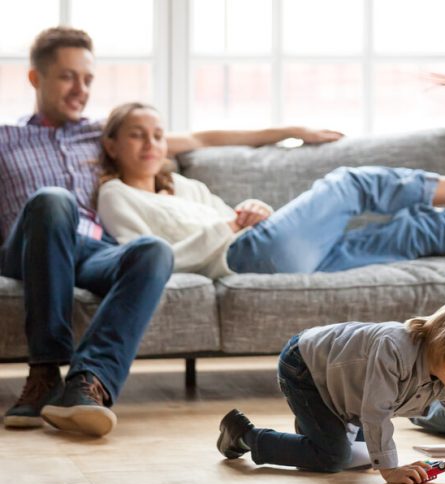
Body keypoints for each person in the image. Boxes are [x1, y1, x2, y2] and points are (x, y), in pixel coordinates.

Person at [0, 27, 341, 436]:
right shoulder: (7, 139)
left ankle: (86, 385)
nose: (81, 89)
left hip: (92, 250)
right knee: (54, 200)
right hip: (29, 250)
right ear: (36, 78)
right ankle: (43, 374)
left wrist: (292, 130)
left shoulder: (99, 134)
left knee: (152, 250)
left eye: (88, 78)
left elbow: (202, 137)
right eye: (67, 77)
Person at [95, 102, 445, 278]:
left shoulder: (183, 184)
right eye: (137, 134)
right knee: (350, 183)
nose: (150, 143)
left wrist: (251, 208)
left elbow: (236, 214)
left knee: (408, 234)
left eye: (157, 134)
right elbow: (145, 257)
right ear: (112, 145)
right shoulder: (116, 196)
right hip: (243, 256)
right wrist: (231, 225)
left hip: (272, 248)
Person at [215, 297, 445, 484]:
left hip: (344, 389)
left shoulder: (444, 378)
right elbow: (376, 412)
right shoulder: (394, 348)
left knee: (352, 457)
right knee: (334, 459)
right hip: (306, 368)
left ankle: (315, 433)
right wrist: (390, 469)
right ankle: (245, 435)